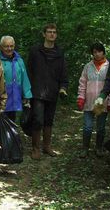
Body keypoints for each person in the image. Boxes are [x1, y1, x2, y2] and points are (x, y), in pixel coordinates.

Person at [27, 23, 68, 160]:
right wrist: (27, 91)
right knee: (38, 120)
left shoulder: (59, 52)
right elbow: (29, 71)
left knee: (49, 120)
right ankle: (35, 148)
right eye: (49, 32)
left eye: (54, 32)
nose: (52, 34)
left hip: (53, 90)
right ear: (44, 34)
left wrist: (63, 87)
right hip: (37, 91)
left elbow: (63, 72)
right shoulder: (35, 51)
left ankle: (47, 146)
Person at [77, 43, 110, 158]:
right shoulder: (88, 66)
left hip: (102, 103)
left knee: (101, 128)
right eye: (94, 52)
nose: (97, 54)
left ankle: (99, 148)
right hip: (89, 102)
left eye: (99, 51)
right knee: (87, 127)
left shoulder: (109, 66)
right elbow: (82, 83)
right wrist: (81, 98)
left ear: (103, 52)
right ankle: (85, 148)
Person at [0, 35, 32, 122]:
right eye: (6, 46)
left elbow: (24, 78)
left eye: (11, 46)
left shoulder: (19, 60)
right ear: (1, 47)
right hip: (1, 99)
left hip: (15, 97)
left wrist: (27, 96)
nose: (9, 48)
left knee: (12, 122)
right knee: (1, 126)